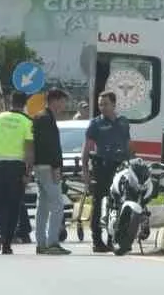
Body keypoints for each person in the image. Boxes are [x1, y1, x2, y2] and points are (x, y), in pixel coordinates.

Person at [83, 90, 134, 253]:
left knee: (119, 203)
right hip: (101, 167)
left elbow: (128, 144)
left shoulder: (123, 122)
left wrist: (133, 162)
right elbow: (87, 149)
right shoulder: (95, 124)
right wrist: (85, 172)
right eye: (100, 104)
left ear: (114, 104)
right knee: (99, 204)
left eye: (105, 104)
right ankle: (97, 241)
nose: (102, 107)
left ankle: (114, 238)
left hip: (120, 167)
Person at [0, 93, 34, 254]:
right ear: (25, 104)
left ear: (9, 102)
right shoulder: (27, 121)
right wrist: (28, 171)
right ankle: (6, 244)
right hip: (17, 167)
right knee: (14, 205)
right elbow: (29, 148)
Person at [32, 87, 71, 256]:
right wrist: (56, 167)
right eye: (63, 101)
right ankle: (52, 242)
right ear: (54, 101)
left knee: (43, 207)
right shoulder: (46, 119)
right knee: (57, 205)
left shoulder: (40, 117)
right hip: (48, 167)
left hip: (39, 166)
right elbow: (50, 146)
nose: (64, 105)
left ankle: (41, 243)